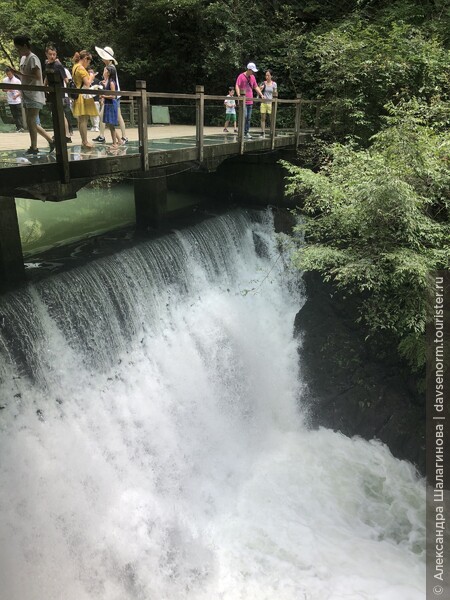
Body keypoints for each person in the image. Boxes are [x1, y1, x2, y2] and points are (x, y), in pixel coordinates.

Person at [12, 34, 55, 155]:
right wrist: (17, 73)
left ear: (25, 46)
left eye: (19, 48)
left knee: (31, 120)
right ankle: (50, 141)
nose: (18, 51)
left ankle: (34, 147)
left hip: (35, 94)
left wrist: (20, 74)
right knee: (32, 122)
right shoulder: (23, 59)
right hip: (27, 93)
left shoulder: (33, 58)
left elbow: (37, 76)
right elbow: (25, 75)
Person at [93, 46, 128, 144]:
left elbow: (112, 83)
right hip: (112, 95)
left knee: (113, 117)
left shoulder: (111, 68)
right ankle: (105, 136)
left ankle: (120, 138)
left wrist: (104, 93)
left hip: (113, 96)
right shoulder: (109, 67)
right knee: (109, 117)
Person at [43, 44, 72, 141]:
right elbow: (47, 77)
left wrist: (71, 90)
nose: (52, 56)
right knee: (54, 114)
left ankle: (67, 135)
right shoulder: (47, 65)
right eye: (50, 54)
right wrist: (44, 88)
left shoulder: (58, 65)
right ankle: (58, 134)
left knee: (61, 114)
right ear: (46, 54)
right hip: (51, 93)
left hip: (60, 93)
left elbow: (66, 79)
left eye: (54, 54)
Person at [71, 50, 98, 149]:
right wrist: (91, 76)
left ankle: (84, 141)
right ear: (86, 59)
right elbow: (87, 83)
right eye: (89, 61)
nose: (89, 63)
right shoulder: (81, 68)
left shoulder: (75, 67)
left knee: (81, 120)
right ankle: (85, 141)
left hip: (78, 95)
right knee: (84, 120)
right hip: (83, 96)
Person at [235, 62, 264, 139]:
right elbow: (237, 85)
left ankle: (246, 132)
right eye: (252, 71)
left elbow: (256, 87)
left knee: (248, 118)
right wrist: (238, 95)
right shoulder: (241, 76)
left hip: (250, 100)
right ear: (249, 69)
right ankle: (241, 131)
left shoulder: (253, 77)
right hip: (243, 100)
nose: (253, 72)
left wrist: (261, 94)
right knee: (244, 116)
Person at [101, 64, 121, 148]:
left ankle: (115, 143)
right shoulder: (107, 81)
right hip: (108, 104)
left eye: (105, 70)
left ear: (108, 73)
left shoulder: (112, 82)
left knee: (111, 125)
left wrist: (104, 96)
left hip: (111, 104)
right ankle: (118, 140)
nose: (104, 72)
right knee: (110, 125)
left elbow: (113, 96)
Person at [2, 67, 24, 132]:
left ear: (12, 73)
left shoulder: (17, 81)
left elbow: (21, 90)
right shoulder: (5, 80)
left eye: (10, 74)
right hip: (10, 100)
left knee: (18, 114)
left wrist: (17, 95)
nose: (9, 75)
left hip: (17, 100)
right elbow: (3, 89)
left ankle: (21, 127)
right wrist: (7, 90)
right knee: (14, 114)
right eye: (7, 74)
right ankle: (18, 127)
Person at [259, 69, 277, 137]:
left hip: (270, 102)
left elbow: (275, 93)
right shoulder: (263, 83)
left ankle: (272, 131)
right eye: (266, 75)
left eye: (268, 75)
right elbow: (259, 91)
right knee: (263, 118)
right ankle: (262, 131)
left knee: (271, 118)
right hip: (263, 102)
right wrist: (261, 89)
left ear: (271, 76)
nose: (267, 77)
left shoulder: (274, 84)